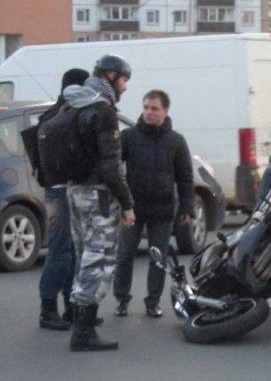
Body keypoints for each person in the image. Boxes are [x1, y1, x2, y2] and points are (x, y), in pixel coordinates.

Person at [63, 55, 136, 351]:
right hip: (99, 195)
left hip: (76, 191)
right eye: (123, 79)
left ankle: (81, 319)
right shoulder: (102, 110)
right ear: (109, 76)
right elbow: (111, 166)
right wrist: (127, 202)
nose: (126, 87)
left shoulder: (73, 102)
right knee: (100, 260)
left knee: (84, 256)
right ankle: (82, 332)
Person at [114, 90, 194, 318]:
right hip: (133, 208)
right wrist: (119, 200)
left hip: (163, 209)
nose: (149, 112)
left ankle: (153, 302)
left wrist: (187, 207)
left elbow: (185, 177)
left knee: (158, 258)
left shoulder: (176, 141)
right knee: (125, 255)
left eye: (154, 108)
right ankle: (121, 299)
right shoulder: (129, 136)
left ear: (165, 111)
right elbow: (114, 168)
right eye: (146, 107)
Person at [31, 69, 90, 331]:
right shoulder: (66, 116)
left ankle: (70, 308)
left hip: (58, 190)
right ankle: (49, 308)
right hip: (62, 190)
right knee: (61, 248)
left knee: (71, 249)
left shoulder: (51, 115)